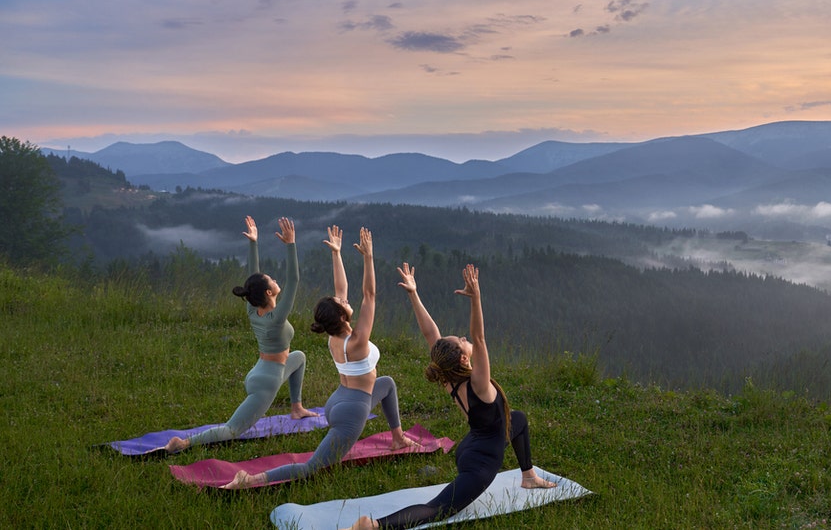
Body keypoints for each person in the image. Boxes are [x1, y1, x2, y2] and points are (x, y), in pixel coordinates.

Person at [345, 262, 555, 530]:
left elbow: (430, 334)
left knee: (518, 419)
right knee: (438, 509)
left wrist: (413, 293)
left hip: (468, 448)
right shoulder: (478, 384)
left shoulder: (449, 376)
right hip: (481, 463)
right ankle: (374, 526)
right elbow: (479, 338)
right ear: (465, 357)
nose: (465, 338)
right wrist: (475, 298)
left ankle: (529, 476)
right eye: (462, 340)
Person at [223, 226, 419, 488]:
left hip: (338, 400)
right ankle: (251, 480)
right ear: (341, 316)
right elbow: (369, 295)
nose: (345, 301)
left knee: (387, 384)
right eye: (342, 304)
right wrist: (368, 257)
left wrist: (336, 254)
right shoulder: (358, 341)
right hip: (352, 411)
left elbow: (342, 288)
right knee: (311, 467)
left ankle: (398, 438)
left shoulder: (335, 335)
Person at [167, 216, 316, 453]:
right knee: (233, 430)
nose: (277, 280)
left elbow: (253, 279)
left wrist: (254, 243)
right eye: (272, 280)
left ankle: (296, 407)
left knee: (299, 357)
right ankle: (184, 443)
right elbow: (294, 279)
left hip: (259, 371)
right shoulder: (276, 319)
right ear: (269, 292)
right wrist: (291, 245)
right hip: (267, 382)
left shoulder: (252, 307)